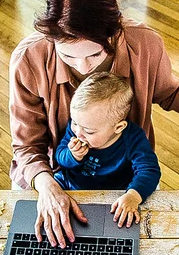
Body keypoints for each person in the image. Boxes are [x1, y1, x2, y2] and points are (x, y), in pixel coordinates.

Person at [8, 0, 179, 248]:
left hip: (127, 175)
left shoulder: (145, 44)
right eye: (68, 56)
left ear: (115, 32)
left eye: (95, 55)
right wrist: (47, 186)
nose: (83, 68)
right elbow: (27, 146)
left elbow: (169, 91)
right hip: (55, 174)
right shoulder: (28, 60)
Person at [54, 72, 160, 228]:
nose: (78, 132)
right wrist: (72, 155)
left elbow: (150, 170)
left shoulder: (133, 138)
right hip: (71, 188)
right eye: (74, 123)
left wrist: (133, 195)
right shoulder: (77, 130)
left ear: (118, 127)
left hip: (116, 195)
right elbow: (60, 156)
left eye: (89, 131)